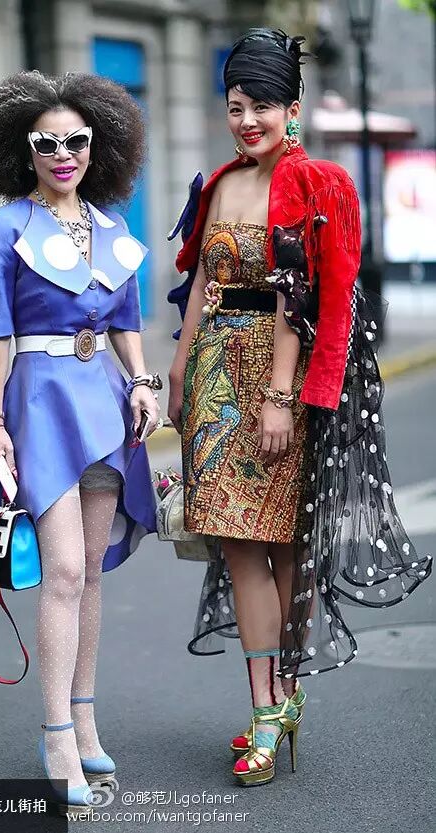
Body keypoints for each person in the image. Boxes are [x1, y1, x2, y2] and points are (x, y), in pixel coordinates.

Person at [167, 28, 432, 787]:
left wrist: (283, 397)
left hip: (278, 379)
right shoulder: (218, 185)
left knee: (284, 546)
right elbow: (202, 284)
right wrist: (180, 370)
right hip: (216, 378)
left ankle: (278, 700)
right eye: (236, 106)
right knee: (236, 541)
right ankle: (268, 703)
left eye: (262, 106)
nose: (247, 120)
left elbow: (308, 300)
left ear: (293, 106)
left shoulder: (320, 183)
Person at [0, 69, 160, 816]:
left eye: (76, 140)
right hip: (40, 401)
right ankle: (54, 736)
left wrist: (142, 383)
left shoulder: (112, 228)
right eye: (47, 144)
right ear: (24, 150)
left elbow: (126, 322)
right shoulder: (3, 229)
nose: (63, 154)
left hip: (103, 401)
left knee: (94, 572)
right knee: (66, 570)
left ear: (96, 144)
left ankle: (83, 720)